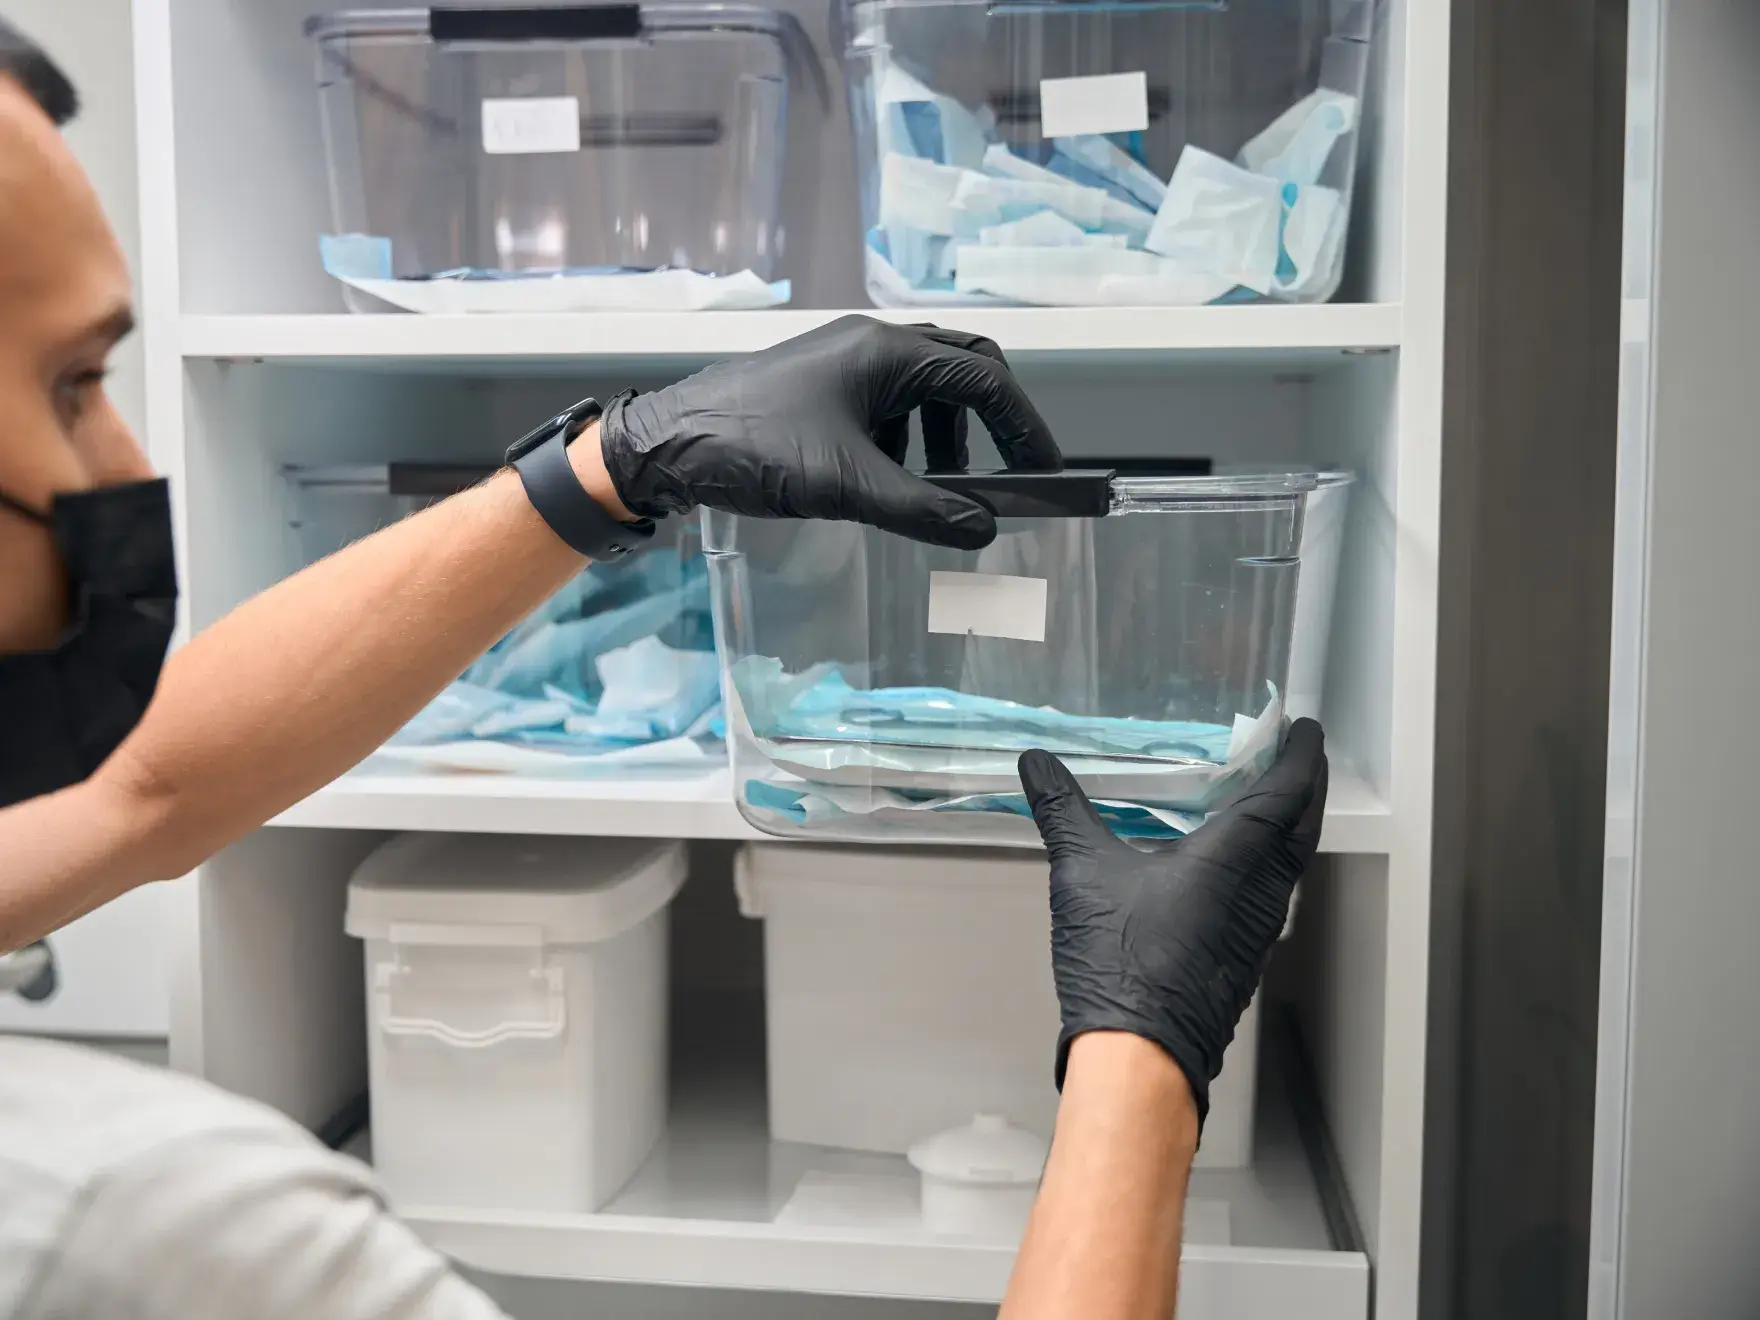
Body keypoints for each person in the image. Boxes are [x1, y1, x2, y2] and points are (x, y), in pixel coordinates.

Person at [0, 20, 1328, 1320]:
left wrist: (619, 460)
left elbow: (141, 797)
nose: (126, 462)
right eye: (73, 383)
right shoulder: (138, 1217)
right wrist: (1143, 1055)